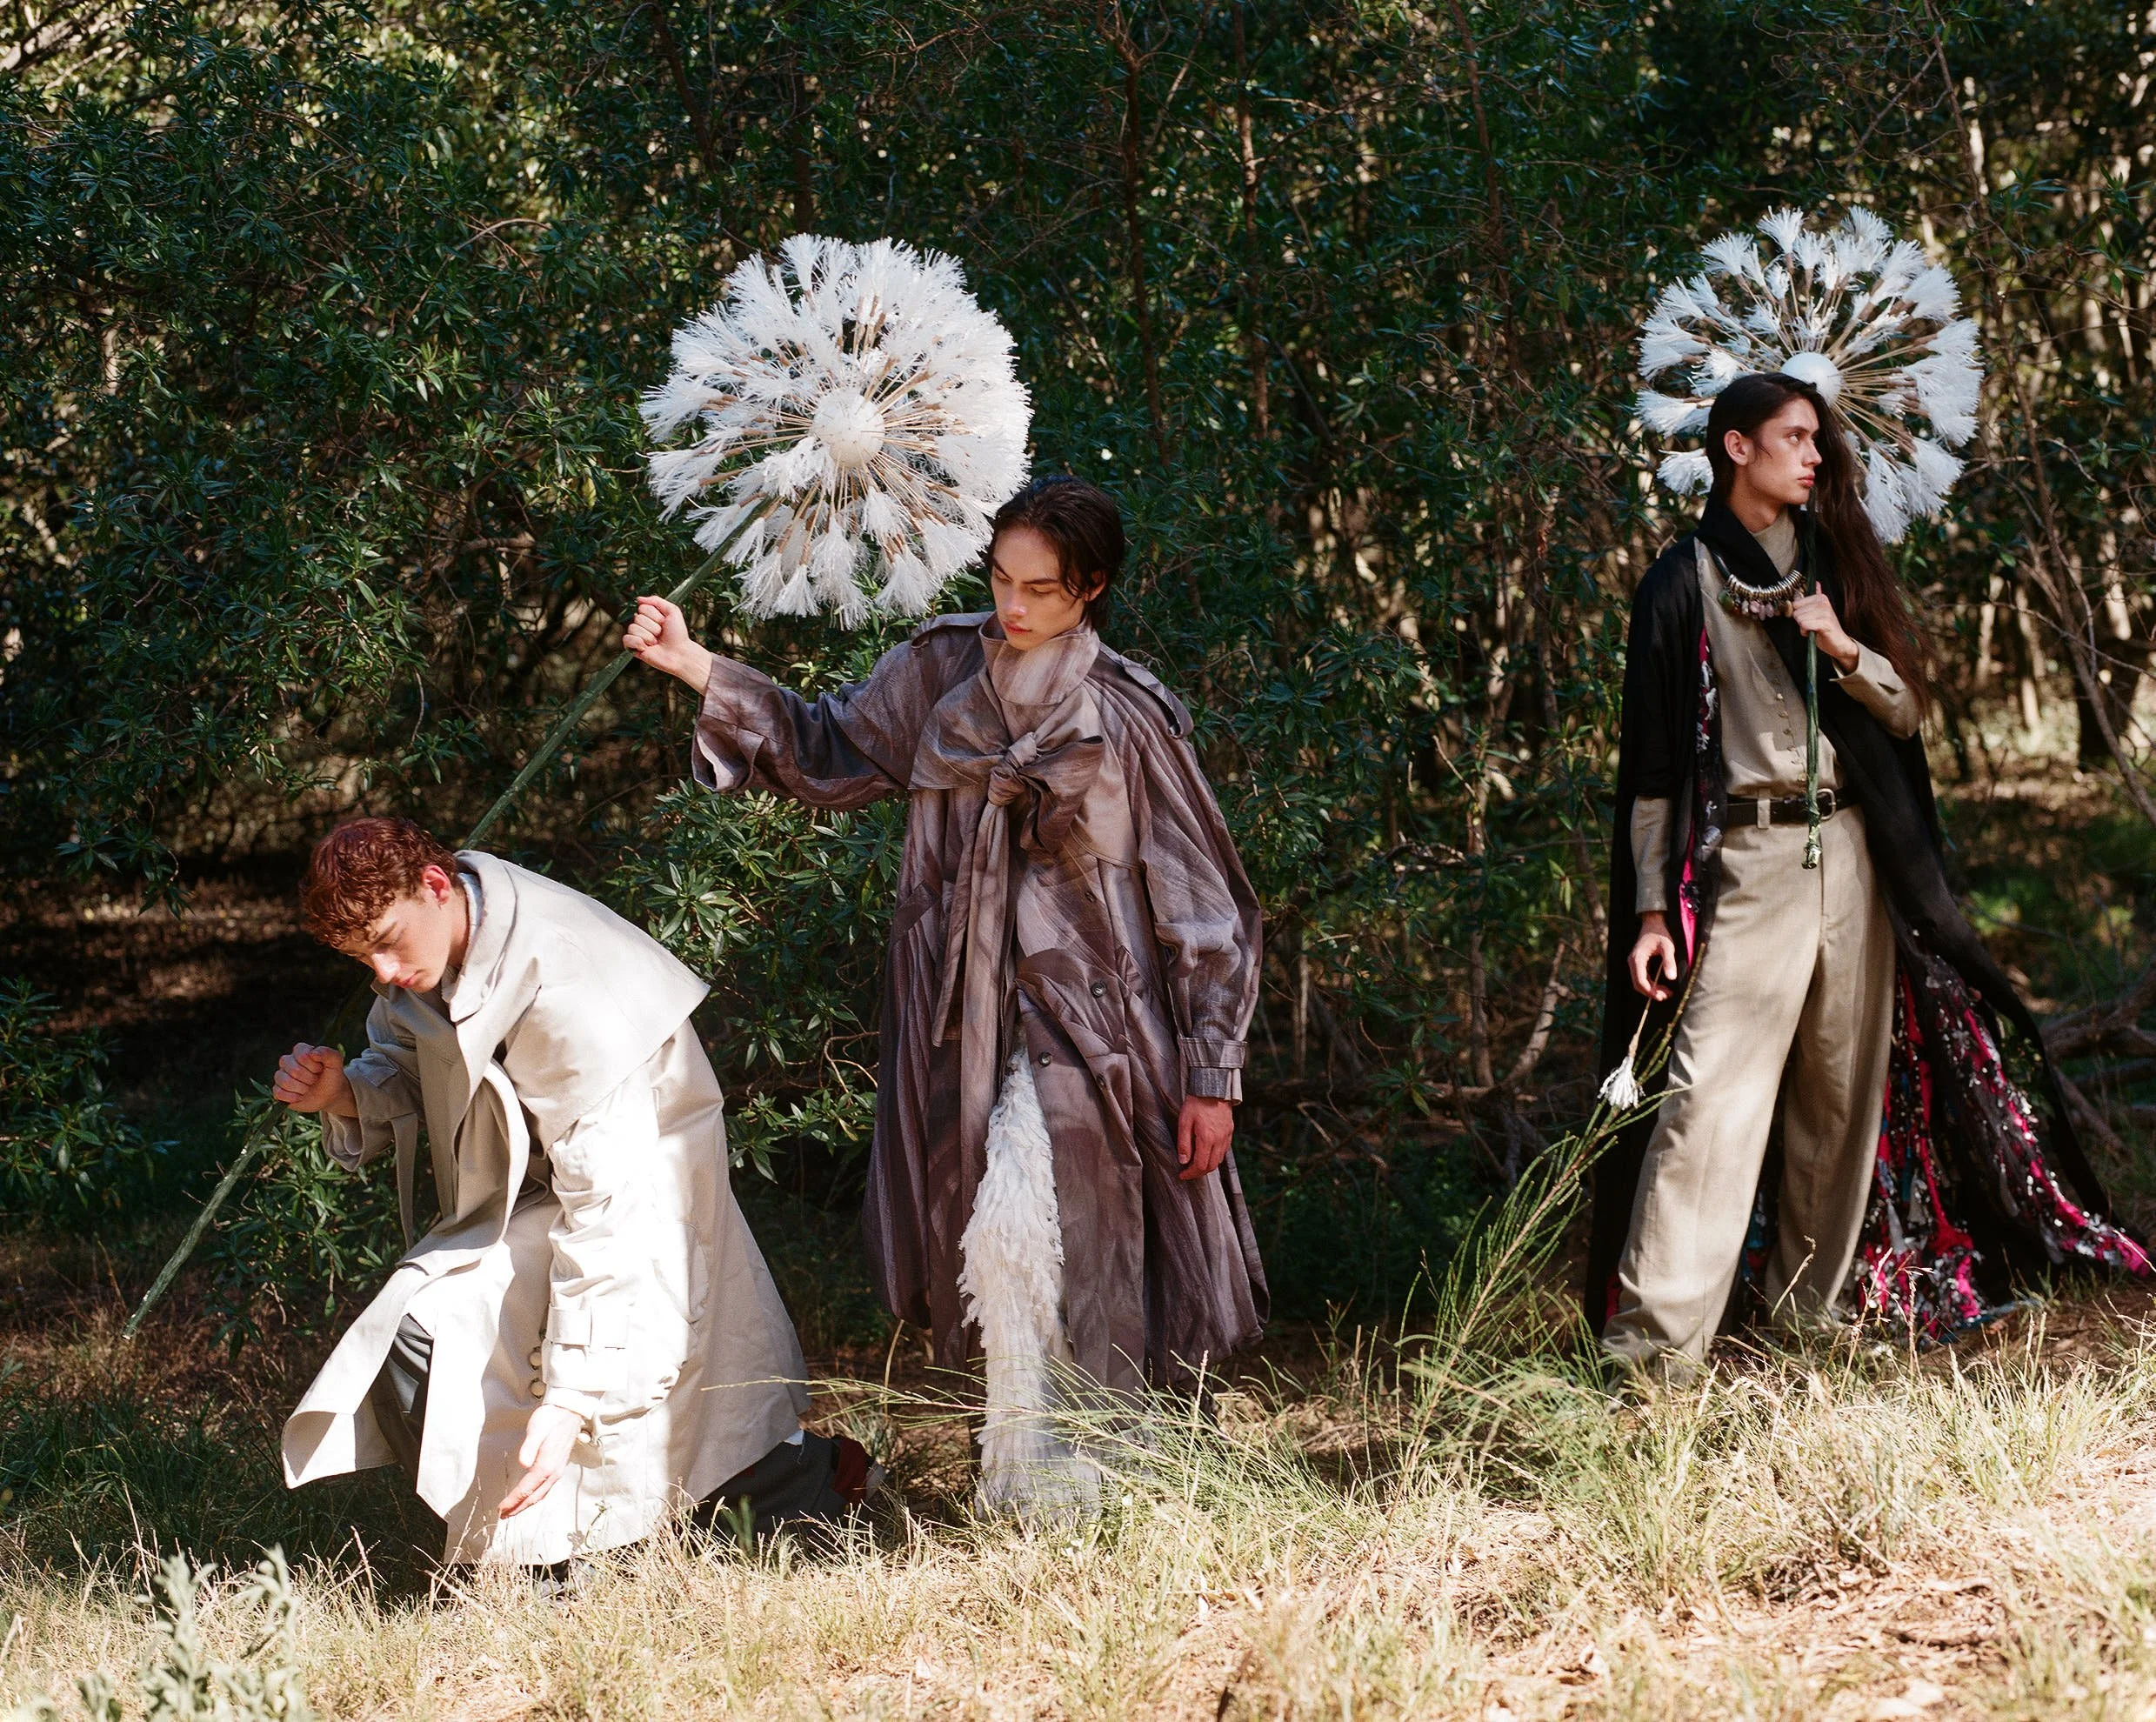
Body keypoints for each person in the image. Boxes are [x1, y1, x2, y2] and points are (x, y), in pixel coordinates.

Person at [624, 474, 1266, 1517]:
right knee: (990, 1237)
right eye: (1000, 580)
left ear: (1091, 588)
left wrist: (1212, 1073)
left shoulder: (1128, 716)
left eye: (1042, 590)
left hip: (1100, 1026)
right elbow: (828, 747)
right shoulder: (937, 669)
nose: (1012, 609)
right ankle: (1024, 1477)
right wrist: (695, 663)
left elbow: (1208, 907)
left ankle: (1121, 1474)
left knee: (1075, 1236)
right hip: (957, 1019)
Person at [1587, 371, 2147, 1379]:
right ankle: (1650, 1359)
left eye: (1818, 441)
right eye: (1794, 438)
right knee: (1708, 1101)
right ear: (1734, 449)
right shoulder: (1681, 580)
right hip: (1747, 865)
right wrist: (1645, 911)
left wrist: (1839, 645)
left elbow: (1905, 713)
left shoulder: (1836, 567)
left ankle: (1808, 1317)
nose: (1814, 457)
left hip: (1851, 855)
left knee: (1839, 1100)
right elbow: (1652, 775)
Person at [274, 818, 875, 1565]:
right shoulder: (441, 943)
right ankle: (528, 1552)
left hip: (641, 1196)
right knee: (423, 1329)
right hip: (546, 1193)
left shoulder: (563, 983)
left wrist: (568, 1399)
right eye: (362, 956)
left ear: (434, 886)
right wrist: (341, 1094)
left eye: (389, 940)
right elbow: (412, 1059)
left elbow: (609, 1204)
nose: (383, 971)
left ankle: (799, 1490)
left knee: (659, 1388)